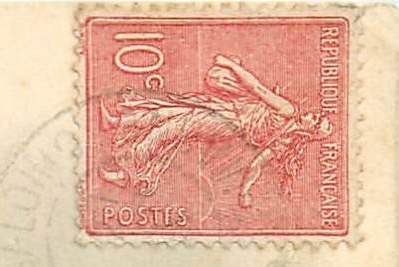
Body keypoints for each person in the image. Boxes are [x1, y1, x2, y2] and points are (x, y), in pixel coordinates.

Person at [98, 53, 332, 206]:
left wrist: (230, 64)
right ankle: (117, 122)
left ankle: (126, 174)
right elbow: (257, 164)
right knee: (173, 110)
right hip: (229, 109)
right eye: (318, 116)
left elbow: (257, 89)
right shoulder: (286, 136)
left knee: (170, 130)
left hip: (227, 122)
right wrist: (244, 193)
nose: (313, 115)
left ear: (309, 131)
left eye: (316, 120)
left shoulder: (288, 113)